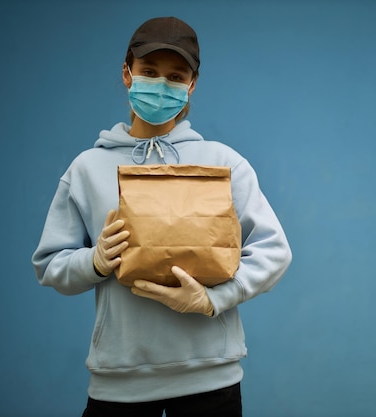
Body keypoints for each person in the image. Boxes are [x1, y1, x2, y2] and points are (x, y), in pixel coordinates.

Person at [31, 16, 292, 417]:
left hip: (212, 381)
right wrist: (95, 261)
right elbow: (50, 264)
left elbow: (275, 252)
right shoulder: (86, 168)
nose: (161, 85)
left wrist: (211, 299)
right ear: (127, 72)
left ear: (191, 85)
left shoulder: (223, 164)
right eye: (149, 72)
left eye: (175, 76)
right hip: (119, 383)